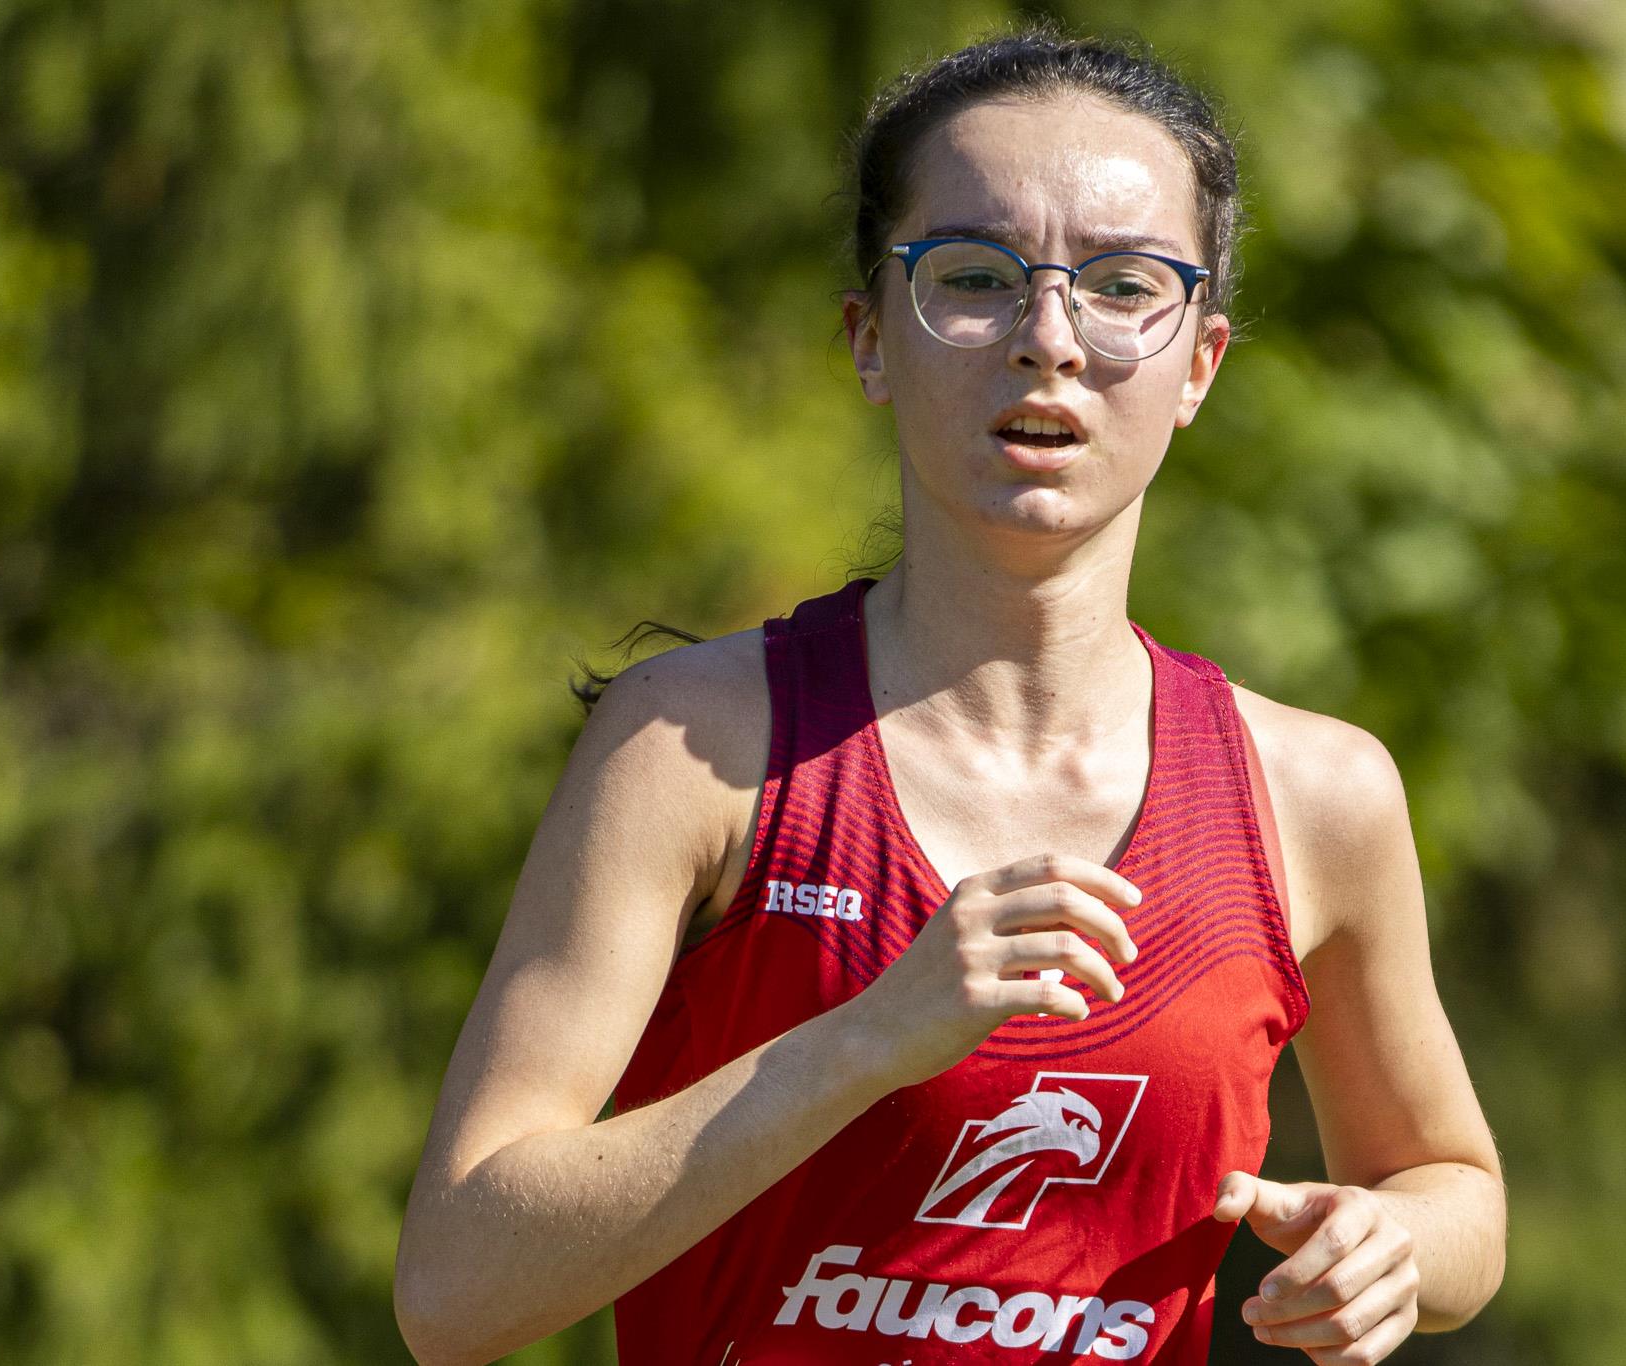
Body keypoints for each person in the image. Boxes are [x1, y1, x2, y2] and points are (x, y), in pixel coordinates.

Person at [393, 25, 1506, 1366]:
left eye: (1124, 285)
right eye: (975, 277)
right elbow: (455, 1288)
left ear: (1201, 363)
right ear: (871, 340)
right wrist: (867, 1038)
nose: (1049, 339)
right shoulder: (695, 750)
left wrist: (1394, 1243)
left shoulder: (1318, 793)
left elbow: (1455, 1189)